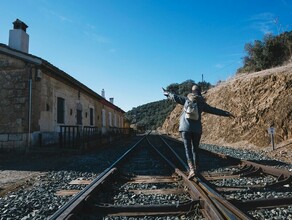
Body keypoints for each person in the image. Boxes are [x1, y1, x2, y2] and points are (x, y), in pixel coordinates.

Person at [163, 84, 235, 179]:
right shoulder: (201, 103)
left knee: (187, 149)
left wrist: (166, 93)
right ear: (200, 92)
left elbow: (174, 97)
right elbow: (213, 110)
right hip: (196, 129)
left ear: (192, 91)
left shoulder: (186, 99)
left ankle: (192, 170)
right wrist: (226, 113)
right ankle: (197, 169)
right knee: (195, 149)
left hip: (185, 128)